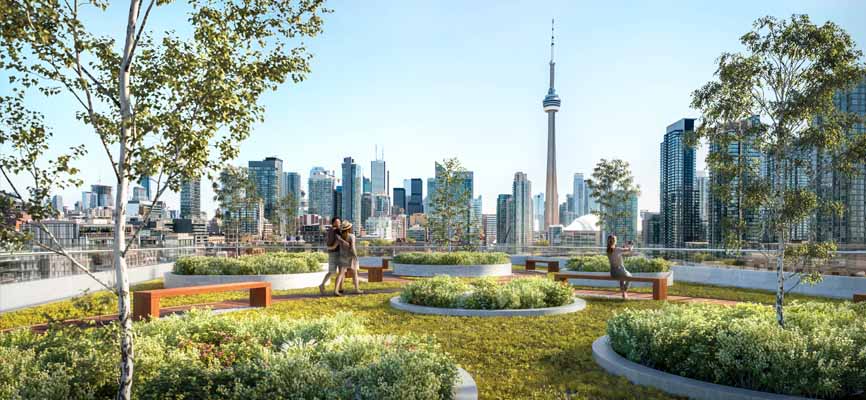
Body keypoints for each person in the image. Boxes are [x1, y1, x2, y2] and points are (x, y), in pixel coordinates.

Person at [333, 220, 362, 296]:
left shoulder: (340, 237)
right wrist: (355, 256)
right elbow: (352, 248)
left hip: (342, 256)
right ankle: (357, 289)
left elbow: (335, 246)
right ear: (349, 228)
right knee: (354, 273)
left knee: (340, 274)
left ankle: (336, 290)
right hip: (351, 257)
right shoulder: (351, 236)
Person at [606, 234, 634, 299]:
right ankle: (625, 292)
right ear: (614, 241)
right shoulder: (617, 249)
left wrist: (623, 248)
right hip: (620, 270)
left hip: (613, 272)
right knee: (630, 277)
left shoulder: (608, 250)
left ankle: (623, 293)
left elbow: (618, 253)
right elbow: (629, 250)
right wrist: (631, 245)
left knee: (622, 279)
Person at [318, 216, 341, 295]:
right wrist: (333, 246)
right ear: (333, 223)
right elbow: (334, 241)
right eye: (337, 222)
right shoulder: (334, 230)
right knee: (332, 272)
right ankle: (322, 285)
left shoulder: (332, 230)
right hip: (334, 253)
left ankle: (339, 288)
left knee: (337, 272)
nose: (339, 223)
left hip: (335, 252)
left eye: (339, 222)